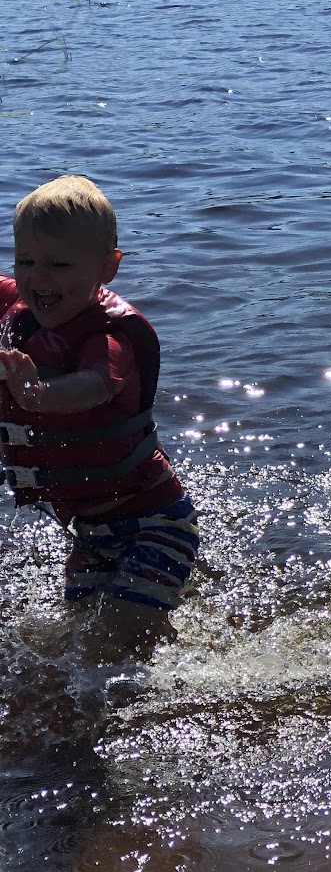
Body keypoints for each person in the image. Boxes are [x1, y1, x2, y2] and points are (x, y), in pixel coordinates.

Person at [0, 175, 198, 660]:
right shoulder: (16, 309)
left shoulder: (110, 337)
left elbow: (95, 385)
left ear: (107, 268)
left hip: (153, 521)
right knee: (80, 645)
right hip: (90, 534)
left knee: (119, 638)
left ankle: (182, 687)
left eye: (59, 264)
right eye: (25, 261)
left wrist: (38, 395)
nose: (38, 277)